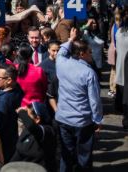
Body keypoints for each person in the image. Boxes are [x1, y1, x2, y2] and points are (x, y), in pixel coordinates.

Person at [55, 28, 103, 171]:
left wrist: (70, 39)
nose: (91, 53)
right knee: (84, 157)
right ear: (81, 54)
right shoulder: (88, 73)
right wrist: (97, 119)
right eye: (89, 51)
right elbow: (94, 100)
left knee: (66, 155)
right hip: (82, 121)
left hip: (63, 118)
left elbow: (61, 51)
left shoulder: (61, 63)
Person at [11, 103, 57, 172]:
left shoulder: (48, 131)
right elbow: (18, 152)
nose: (25, 119)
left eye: (28, 115)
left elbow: (31, 126)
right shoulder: (27, 130)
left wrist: (21, 111)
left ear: (37, 119)